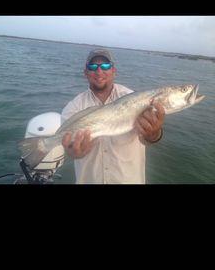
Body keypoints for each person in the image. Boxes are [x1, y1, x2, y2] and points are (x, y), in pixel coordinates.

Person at [61, 48, 165, 184]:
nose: (99, 71)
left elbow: (148, 139)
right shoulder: (73, 107)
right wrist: (72, 152)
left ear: (114, 71)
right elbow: (69, 148)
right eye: (93, 67)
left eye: (105, 66)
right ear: (85, 73)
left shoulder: (136, 100)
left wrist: (154, 134)